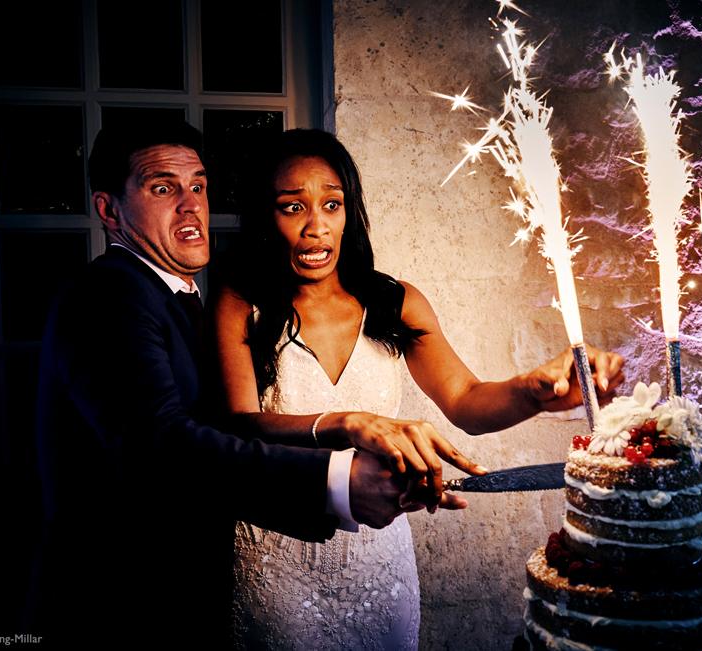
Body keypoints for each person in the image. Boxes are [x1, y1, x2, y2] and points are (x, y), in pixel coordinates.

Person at [29, 120, 478, 649]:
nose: (190, 203)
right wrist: (337, 478)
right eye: (162, 188)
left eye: (197, 185)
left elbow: (214, 429)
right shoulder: (108, 295)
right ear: (109, 210)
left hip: (188, 600)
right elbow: (162, 447)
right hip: (121, 607)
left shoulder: (181, 297)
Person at [212, 128, 626, 650]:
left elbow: (467, 400)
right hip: (280, 553)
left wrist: (534, 389)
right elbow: (239, 426)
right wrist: (347, 422)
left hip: (381, 561)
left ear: (350, 211)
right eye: (293, 208)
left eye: (332, 205)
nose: (316, 228)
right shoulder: (236, 301)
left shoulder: (396, 302)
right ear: (266, 218)